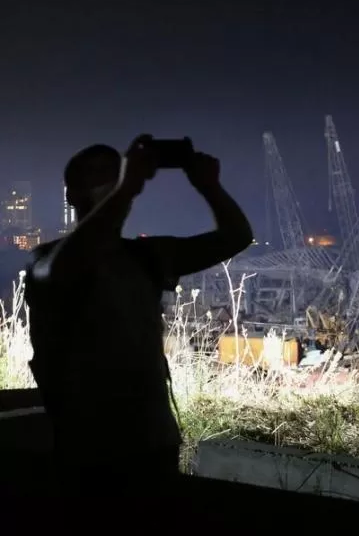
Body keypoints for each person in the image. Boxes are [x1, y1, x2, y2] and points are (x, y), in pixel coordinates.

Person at [25, 134, 253, 497]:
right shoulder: (47, 259)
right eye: (98, 174)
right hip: (86, 448)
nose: (111, 182)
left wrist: (209, 186)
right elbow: (67, 265)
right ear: (71, 194)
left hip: (153, 440)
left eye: (114, 173)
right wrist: (127, 187)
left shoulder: (146, 255)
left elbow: (236, 236)